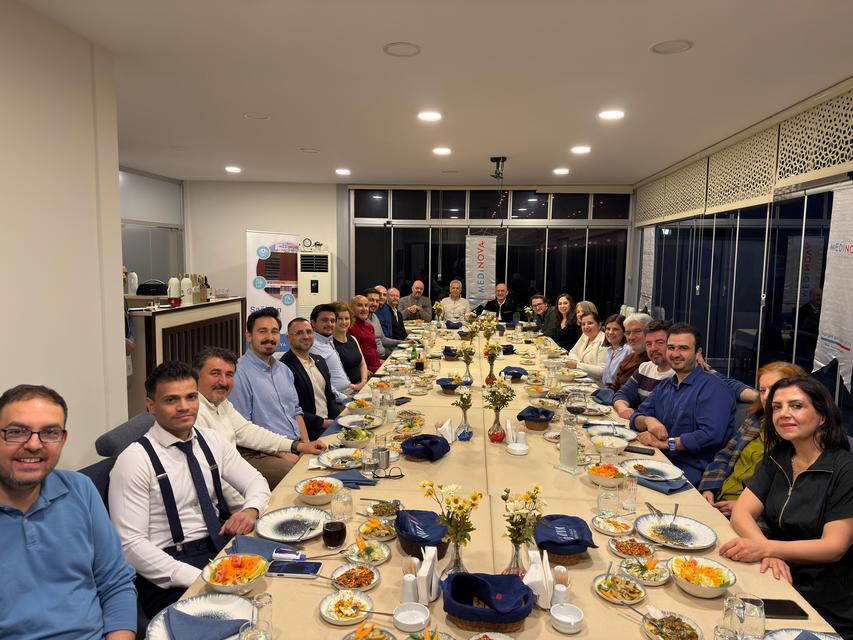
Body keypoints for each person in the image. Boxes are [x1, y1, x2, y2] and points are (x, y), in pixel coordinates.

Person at [109, 362, 271, 618]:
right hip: (169, 570)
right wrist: (200, 577)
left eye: (191, 397)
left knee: (281, 587)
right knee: (234, 621)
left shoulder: (211, 440)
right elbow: (131, 546)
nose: (184, 407)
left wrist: (251, 509)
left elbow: (255, 481)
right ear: (151, 405)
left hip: (220, 547)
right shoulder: (134, 460)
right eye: (171, 400)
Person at [0, 385, 136, 640]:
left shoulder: (81, 490)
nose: (33, 444)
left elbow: (116, 583)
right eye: (16, 432)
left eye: (49, 432)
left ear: (62, 440)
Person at [721, 376, 853, 637]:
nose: (783, 414)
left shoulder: (845, 469)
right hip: (777, 575)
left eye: (796, 406)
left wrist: (768, 548)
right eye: (776, 407)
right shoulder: (780, 455)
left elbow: (834, 546)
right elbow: (742, 512)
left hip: (826, 600)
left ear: (822, 416)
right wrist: (767, 550)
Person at [194, 347, 326, 504]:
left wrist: (298, 446)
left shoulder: (221, 403)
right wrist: (250, 508)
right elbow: (216, 475)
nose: (223, 381)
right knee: (296, 480)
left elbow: (248, 431)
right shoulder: (193, 413)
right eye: (215, 374)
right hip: (231, 480)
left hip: (237, 469)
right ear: (196, 375)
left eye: (229, 375)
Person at [633, 323, 736, 485]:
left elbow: (710, 436)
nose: (675, 354)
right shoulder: (666, 385)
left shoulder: (713, 388)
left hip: (691, 474)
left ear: (698, 353)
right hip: (659, 461)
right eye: (671, 348)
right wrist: (648, 420)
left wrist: (667, 443)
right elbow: (636, 416)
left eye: (683, 348)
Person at [699, 361, 806, 516]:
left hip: (754, 516)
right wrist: (709, 488)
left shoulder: (796, 436)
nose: (767, 396)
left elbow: (792, 498)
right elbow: (725, 455)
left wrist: (745, 507)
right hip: (718, 500)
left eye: (775, 388)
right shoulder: (755, 420)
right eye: (762, 390)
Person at [230, 307, 311, 443]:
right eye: (262, 331)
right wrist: (288, 450)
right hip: (269, 451)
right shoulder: (238, 374)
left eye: (274, 331)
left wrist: (306, 445)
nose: (270, 337)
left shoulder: (284, 370)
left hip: (297, 445)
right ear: (248, 336)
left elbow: (296, 412)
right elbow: (243, 429)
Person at [281, 317, 341, 440]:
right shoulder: (284, 367)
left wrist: (337, 420)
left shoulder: (319, 360)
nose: (306, 336)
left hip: (330, 424)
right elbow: (291, 409)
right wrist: (323, 423)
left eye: (309, 332)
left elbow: (329, 396)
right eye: (299, 333)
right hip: (309, 432)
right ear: (288, 338)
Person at [613, 319, 674, 419]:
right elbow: (623, 393)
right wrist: (622, 408)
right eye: (649, 344)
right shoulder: (644, 368)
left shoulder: (679, 375)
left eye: (660, 342)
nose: (653, 348)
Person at [309, 303, 356, 397]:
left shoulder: (328, 340)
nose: (329, 324)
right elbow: (321, 383)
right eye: (324, 320)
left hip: (350, 390)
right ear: (313, 323)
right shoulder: (312, 346)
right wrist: (345, 398)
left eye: (332, 321)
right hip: (339, 398)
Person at [332, 301, 370, 389]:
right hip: (347, 390)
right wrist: (355, 387)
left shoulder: (353, 339)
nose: (344, 322)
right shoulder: (330, 344)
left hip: (362, 383)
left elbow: (362, 364)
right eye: (340, 319)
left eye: (347, 318)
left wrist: (364, 381)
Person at [610, 312, 652, 391]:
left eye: (637, 331)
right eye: (628, 333)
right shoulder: (627, 359)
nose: (631, 337)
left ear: (649, 332)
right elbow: (614, 388)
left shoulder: (654, 361)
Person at [566, 311, 607, 381]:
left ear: (599, 325)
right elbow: (572, 353)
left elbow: (602, 371)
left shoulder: (604, 340)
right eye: (583, 324)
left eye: (590, 323)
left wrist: (578, 365)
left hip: (596, 383)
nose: (586, 327)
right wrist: (578, 363)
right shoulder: (585, 335)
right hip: (581, 378)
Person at [348, 295, 382, 372]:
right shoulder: (349, 327)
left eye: (366, 305)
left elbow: (373, 350)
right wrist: (364, 371)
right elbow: (351, 356)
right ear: (351, 308)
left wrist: (379, 361)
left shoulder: (369, 326)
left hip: (377, 366)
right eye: (359, 305)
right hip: (366, 371)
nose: (364, 309)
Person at [365, 288, 401, 356]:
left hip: (384, 354)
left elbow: (383, 339)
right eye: (371, 300)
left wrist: (402, 342)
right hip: (377, 358)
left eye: (377, 301)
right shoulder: (360, 321)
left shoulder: (375, 316)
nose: (375, 304)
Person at [602, 314, 632, 387]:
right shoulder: (610, 350)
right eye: (608, 329)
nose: (610, 332)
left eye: (615, 329)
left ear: (624, 332)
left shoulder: (628, 350)